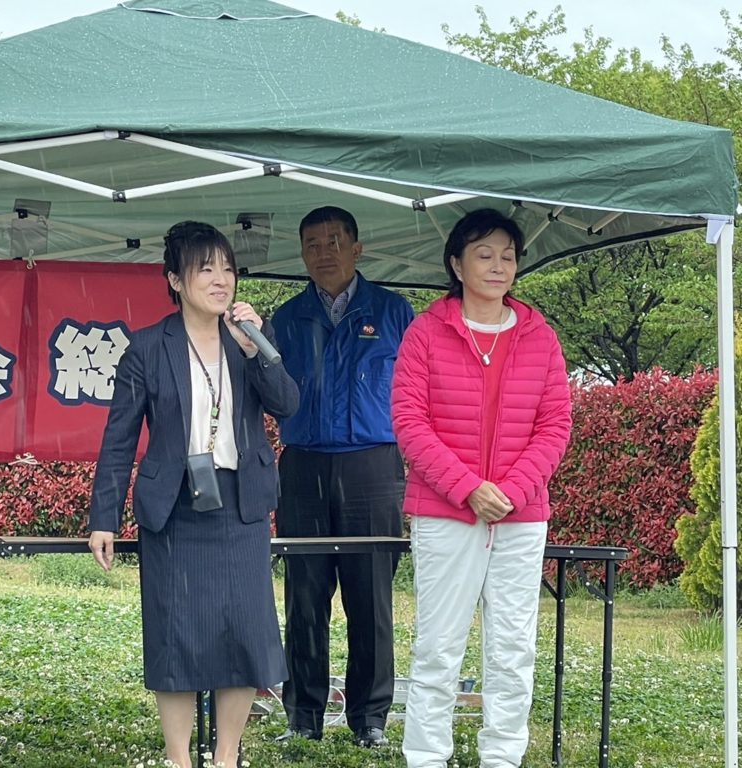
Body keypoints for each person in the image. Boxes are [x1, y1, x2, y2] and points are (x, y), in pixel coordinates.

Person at [87, 221, 299, 768]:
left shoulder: (248, 338)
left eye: (228, 268)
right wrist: (103, 517)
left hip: (241, 504)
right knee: (176, 637)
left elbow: (288, 404)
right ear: (176, 280)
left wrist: (257, 349)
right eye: (205, 269)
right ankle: (179, 759)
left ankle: (227, 756)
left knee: (244, 634)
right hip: (176, 508)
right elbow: (119, 439)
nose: (221, 279)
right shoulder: (147, 347)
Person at [391, 208, 572, 768]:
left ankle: (503, 757)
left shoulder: (540, 337)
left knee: (513, 648)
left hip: (521, 517)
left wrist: (512, 490)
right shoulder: (426, 332)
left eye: (508, 256)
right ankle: (427, 757)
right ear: (456, 263)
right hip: (445, 512)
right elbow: (409, 422)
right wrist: (468, 488)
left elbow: (556, 424)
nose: (498, 266)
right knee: (438, 646)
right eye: (484, 254)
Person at [270, 205, 414, 747]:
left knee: (370, 596)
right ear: (302, 253)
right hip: (303, 464)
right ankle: (303, 716)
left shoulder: (394, 312)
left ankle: (370, 718)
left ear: (357, 249)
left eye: (334, 242)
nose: (323, 253)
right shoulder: (286, 319)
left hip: (373, 466)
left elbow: (419, 392)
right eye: (312, 244)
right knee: (304, 597)